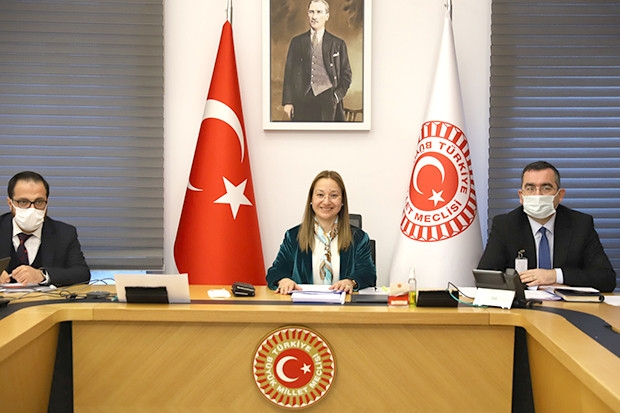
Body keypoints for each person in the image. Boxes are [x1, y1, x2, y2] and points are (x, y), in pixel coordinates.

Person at [478, 161, 616, 292]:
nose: (538, 195)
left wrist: (555, 276)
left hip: (568, 306)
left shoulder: (580, 224)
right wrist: (534, 286)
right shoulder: (505, 225)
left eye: (546, 188)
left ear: (560, 195)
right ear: (521, 196)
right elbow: (486, 277)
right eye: (530, 188)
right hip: (523, 305)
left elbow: (606, 278)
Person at [266, 170, 376, 294]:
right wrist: (283, 280)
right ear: (311, 199)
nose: (326, 201)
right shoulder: (293, 236)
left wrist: (351, 281)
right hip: (303, 305)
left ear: (342, 201)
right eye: (320, 195)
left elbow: (368, 273)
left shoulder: (358, 238)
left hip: (345, 304)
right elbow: (276, 271)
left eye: (333, 195)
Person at [0, 171, 90, 287]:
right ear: (10, 203)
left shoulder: (64, 233)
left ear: (47, 203)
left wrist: (43, 275)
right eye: (23, 202)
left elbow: (82, 274)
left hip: (47, 298)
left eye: (39, 202)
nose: (32, 209)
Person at [281, 0, 352, 122]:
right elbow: (289, 73)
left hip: (328, 101)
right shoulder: (297, 42)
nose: (314, 16)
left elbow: (346, 75)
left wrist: (336, 96)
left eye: (319, 12)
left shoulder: (338, 44)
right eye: (311, 12)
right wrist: (288, 102)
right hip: (302, 100)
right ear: (307, 14)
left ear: (327, 16)